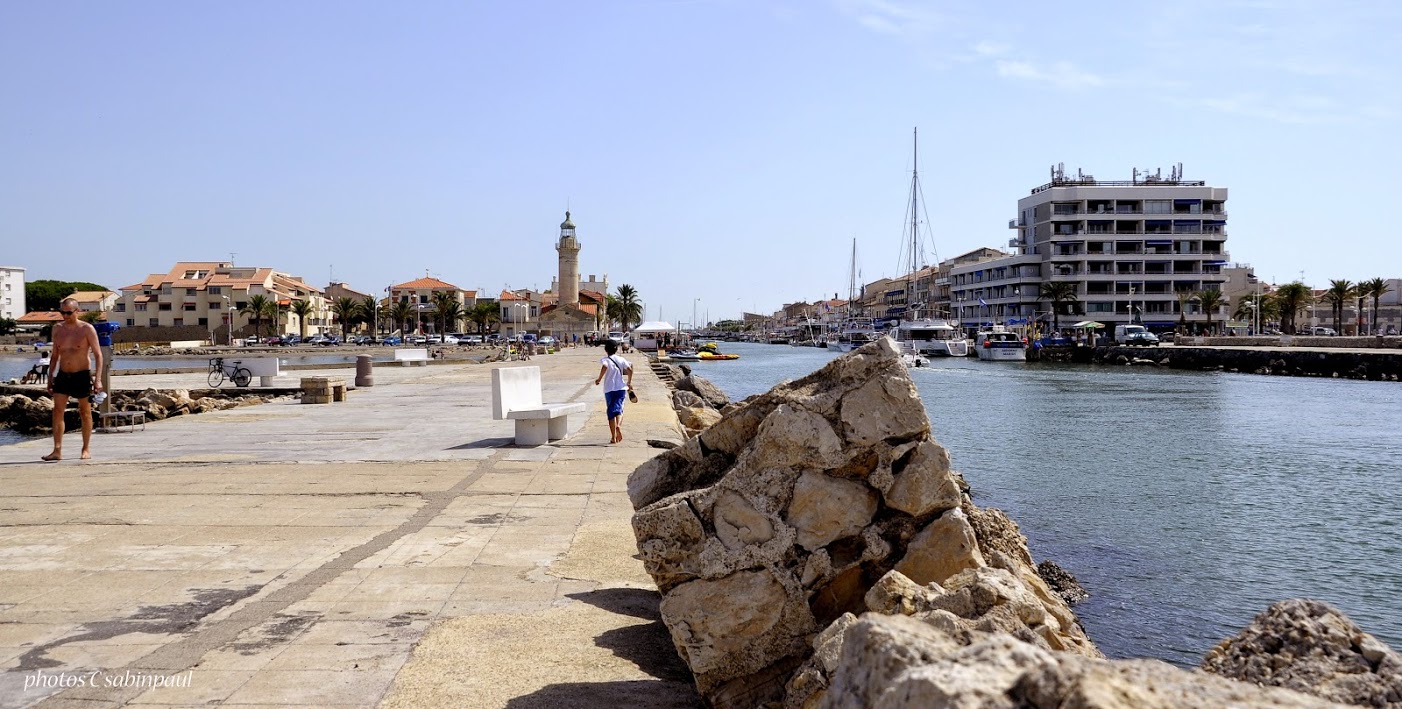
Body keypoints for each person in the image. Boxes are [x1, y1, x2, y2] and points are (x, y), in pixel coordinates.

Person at [43, 299, 104, 461]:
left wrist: (97, 380)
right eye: (62, 312)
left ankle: (85, 448)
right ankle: (57, 450)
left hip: (81, 374)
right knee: (57, 411)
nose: (65, 316)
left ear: (77, 311)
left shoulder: (86, 329)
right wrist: (50, 378)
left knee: (85, 412)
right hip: (63, 374)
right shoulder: (57, 329)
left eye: (68, 313)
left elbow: (98, 355)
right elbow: (55, 356)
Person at [594, 339, 634, 444]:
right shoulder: (621, 359)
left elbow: (605, 366)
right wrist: (629, 382)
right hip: (621, 388)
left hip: (609, 389)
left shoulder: (605, 360)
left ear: (606, 350)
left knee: (611, 412)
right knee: (619, 409)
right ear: (616, 349)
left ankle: (613, 437)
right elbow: (630, 369)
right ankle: (618, 425)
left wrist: (599, 379)